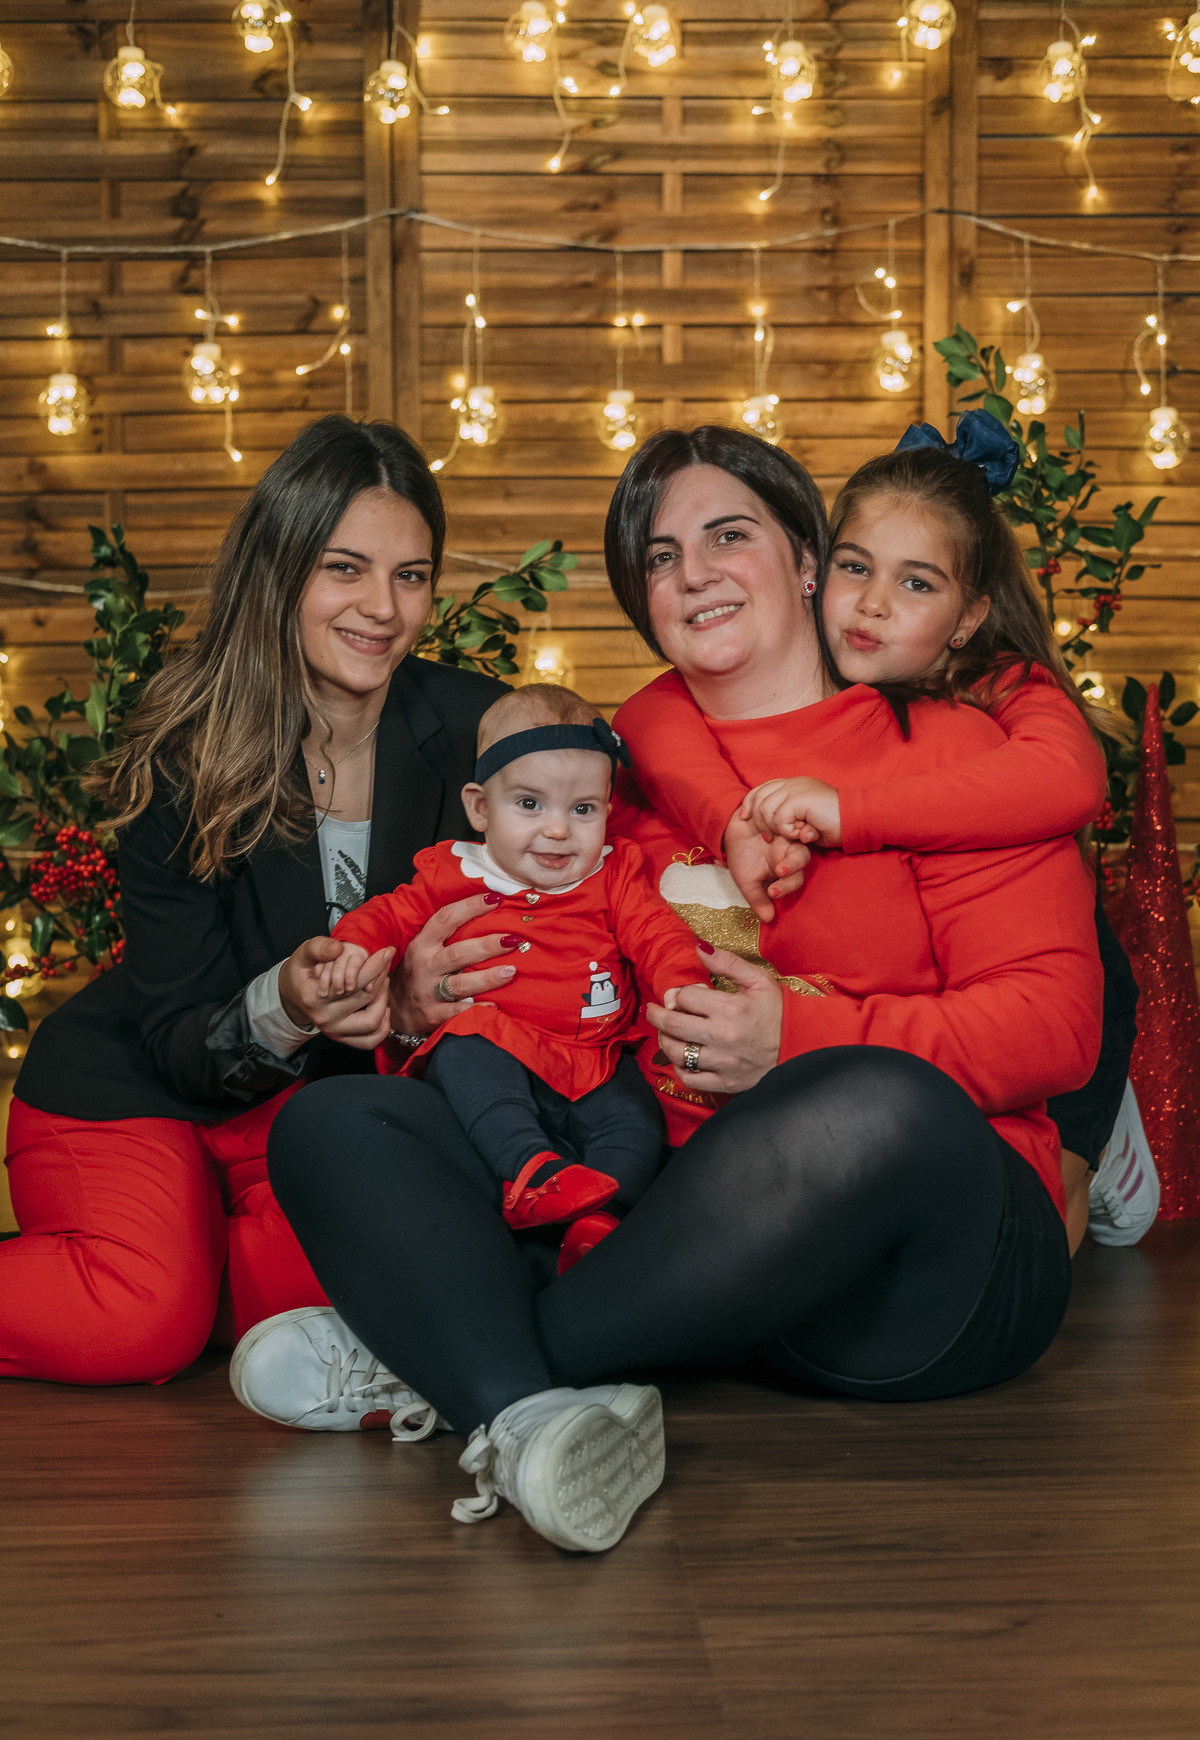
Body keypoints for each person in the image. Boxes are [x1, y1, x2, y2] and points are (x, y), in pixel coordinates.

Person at [246, 422, 1103, 1556]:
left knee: (866, 1103)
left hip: (923, 1276)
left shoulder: (966, 763)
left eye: (728, 536)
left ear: (811, 558)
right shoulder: (606, 776)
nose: (692, 572)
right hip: (683, 1241)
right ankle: (534, 1400)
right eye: (659, 556)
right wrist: (416, 995)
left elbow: (1058, 1029)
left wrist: (795, 1035)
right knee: (339, 1119)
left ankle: (462, 1363)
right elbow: (551, 975)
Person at [0, 413, 523, 1407]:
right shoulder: (182, 754)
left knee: (394, 1265)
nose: (382, 607)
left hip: (306, 1116)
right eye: (345, 568)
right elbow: (178, 1037)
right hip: (135, 1092)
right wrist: (285, 1000)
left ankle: (201, 1261)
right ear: (279, 567)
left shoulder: (474, 731)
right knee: (142, 1320)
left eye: (410, 575)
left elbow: (581, 855)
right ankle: (166, 1268)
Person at [614, 411, 1153, 1251]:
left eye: (917, 585)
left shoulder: (996, 692)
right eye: (857, 569)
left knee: (1090, 972)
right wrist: (730, 822)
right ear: (825, 569)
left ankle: (1093, 1143)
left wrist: (850, 815)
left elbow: (1069, 781)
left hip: (1022, 991)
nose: (871, 606)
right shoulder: (657, 731)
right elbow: (648, 716)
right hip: (764, 1170)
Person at [316, 683, 707, 1270]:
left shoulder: (611, 873)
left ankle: (603, 1219)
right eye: (529, 804)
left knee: (635, 1118)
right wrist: (351, 948)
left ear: (606, 808)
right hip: (499, 1041)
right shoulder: (456, 872)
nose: (557, 831)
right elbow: (390, 914)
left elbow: (656, 932)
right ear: (480, 807)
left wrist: (680, 984)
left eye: (582, 809)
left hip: (593, 1056)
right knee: (469, 1055)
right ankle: (530, 1171)